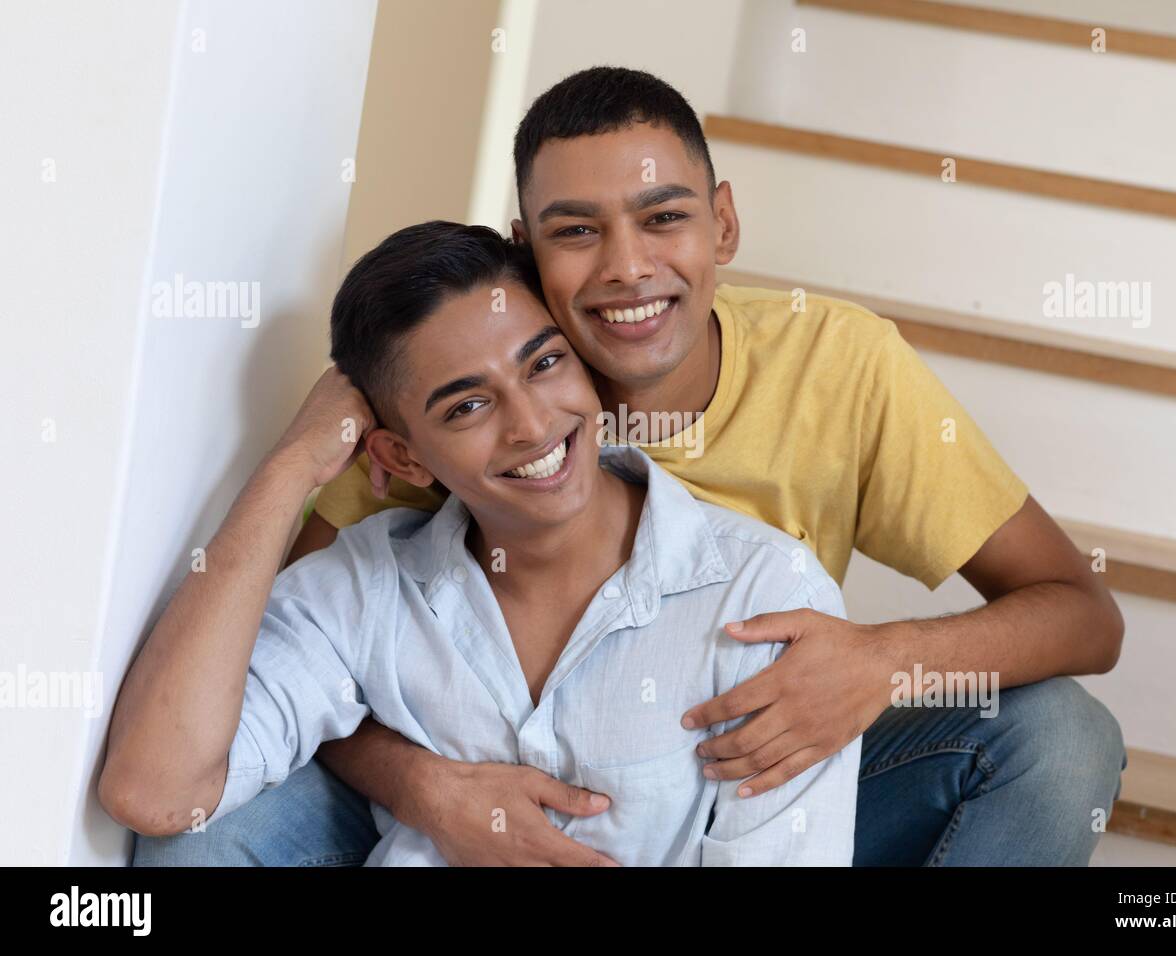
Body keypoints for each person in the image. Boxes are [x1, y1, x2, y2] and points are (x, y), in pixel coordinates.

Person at [134, 66, 1126, 868]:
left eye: (663, 218)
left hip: (749, 769)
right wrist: (424, 785)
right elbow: (284, 657)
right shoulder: (452, 391)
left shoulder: (839, 368)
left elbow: (1081, 614)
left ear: (722, 225)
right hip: (466, 790)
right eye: (576, 231)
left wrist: (876, 662)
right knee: (202, 828)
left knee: (1055, 737)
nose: (626, 267)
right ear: (526, 252)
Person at [99, 221, 860, 866]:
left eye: (545, 363)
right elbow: (154, 792)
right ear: (402, 458)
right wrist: (293, 464)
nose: (530, 424)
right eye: (467, 406)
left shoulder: (765, 596)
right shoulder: (363, 588)